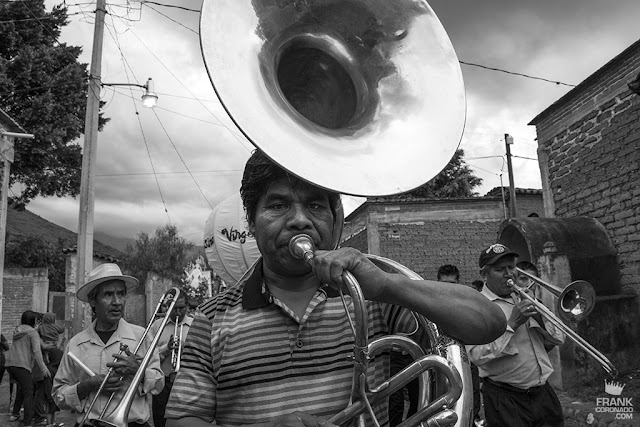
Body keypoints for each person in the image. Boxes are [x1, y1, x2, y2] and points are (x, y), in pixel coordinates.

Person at [165, 149, 506, 427]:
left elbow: (489, 323)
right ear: (252, 222)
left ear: (333, 220)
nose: (300, 219)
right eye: (278, 205)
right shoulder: (210, 318)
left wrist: (387, 286)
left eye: (315, 205)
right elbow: (183, 419)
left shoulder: (371, 297)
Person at [52, 263, 164, 427]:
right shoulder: (75, 344)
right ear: (92, 300)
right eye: (108, 295)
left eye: (121, 294)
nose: (117, 302)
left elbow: (159, 385)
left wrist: (137, 371)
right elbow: (58, 395)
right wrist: (86, 386)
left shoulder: (142, 337)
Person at [466, 244, 566, 427]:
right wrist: (512, 324)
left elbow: (559, 339)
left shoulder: (526, 297)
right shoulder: (477, 307)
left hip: (543, 394)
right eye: (499, 269)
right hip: (505, 399)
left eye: (511, 267)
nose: (509, 274)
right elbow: (476, 355)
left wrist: (539, 315)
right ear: (484, 274)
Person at [150, 291, 193, 427]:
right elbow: (147, 357)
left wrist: (186, 348)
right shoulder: (157, 326)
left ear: (187, 306)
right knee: (161, 420)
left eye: (182, 308)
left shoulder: (195, 324)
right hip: (163, 383)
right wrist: (166, 348)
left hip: (187, 383)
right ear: (168, 307)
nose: (178, 313)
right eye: (175, 308)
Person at [5, 310, 51, 427]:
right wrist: (44, 368)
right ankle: (27, 422)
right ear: (34, 320)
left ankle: (14, 414)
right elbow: (37, 351)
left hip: (10, 364)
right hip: (22, 364)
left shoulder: (17, 330)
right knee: (29, 393)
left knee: (21, 388)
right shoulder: (32, 333)